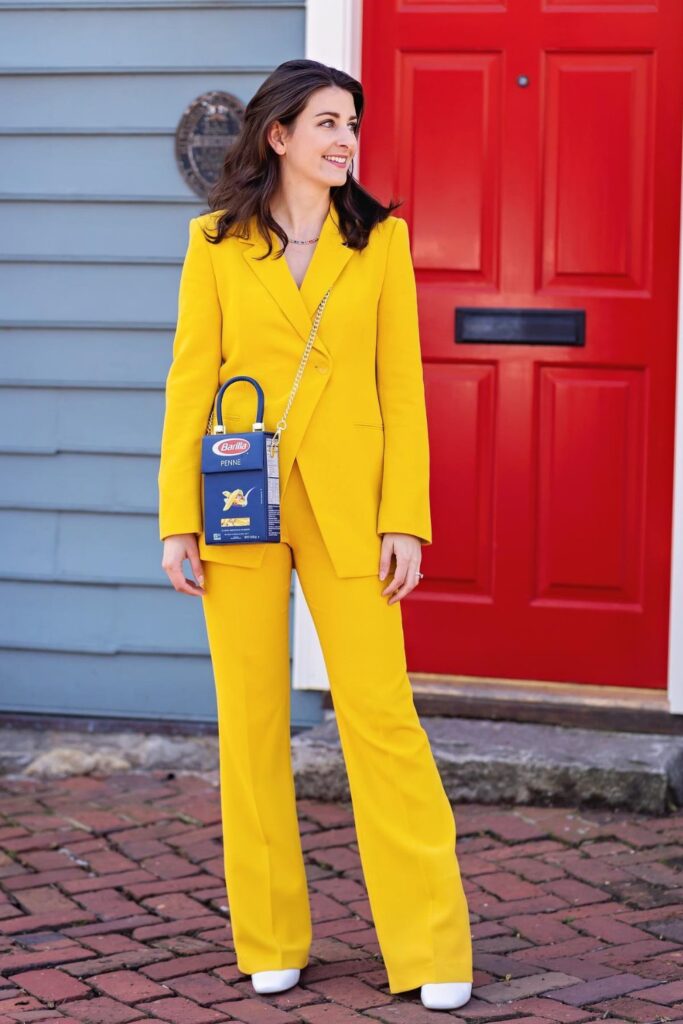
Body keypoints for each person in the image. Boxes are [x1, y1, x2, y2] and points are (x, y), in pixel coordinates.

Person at [158, 58, 473, 1012]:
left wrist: (404, 521)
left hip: (350, 510)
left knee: (382, 722)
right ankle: (269, 933)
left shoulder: (379, 241)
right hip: (237, 507)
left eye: (353, 125)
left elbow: (402, 391)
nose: (344, 140)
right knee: (249, 723)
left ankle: (429, 945)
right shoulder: (214, 243)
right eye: (326, 122)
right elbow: (189, 381)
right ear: (279, 136)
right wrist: (177, 518)